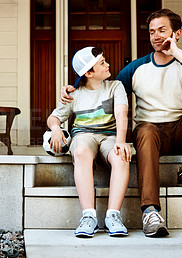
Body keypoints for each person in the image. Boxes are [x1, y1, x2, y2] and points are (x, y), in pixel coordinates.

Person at [60, 9, 182, 237]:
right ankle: (151, 212)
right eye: (152, 32)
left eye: (162, 31)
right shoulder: (136, 68)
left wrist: (176, 52)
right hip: (151, 134)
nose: (156, 36)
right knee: (144, 129)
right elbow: (104, 88)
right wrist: (73, 89)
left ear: (177, 33)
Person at [47, 46, 132, 237]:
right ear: (88, 72)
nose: (108, 64)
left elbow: (121, 113)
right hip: (84, 137)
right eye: (102, 63)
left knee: (121, 156)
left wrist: (121, 141)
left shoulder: (115, 86)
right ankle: (89, 217)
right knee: (81, 152)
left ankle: (113, 216)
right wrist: (55, 129)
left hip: (109, 137)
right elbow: (53, 117)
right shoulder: (74, 94)